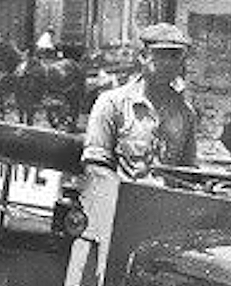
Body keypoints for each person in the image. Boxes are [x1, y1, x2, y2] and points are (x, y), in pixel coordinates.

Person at [82, 22, 197, 181]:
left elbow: (188, 172)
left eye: (175, 56)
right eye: (161, 55)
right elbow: (95, 166)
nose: (168, 63)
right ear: (143, 56)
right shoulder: (112, 104)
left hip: (168, 202)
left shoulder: (185, 113)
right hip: (122, 201)